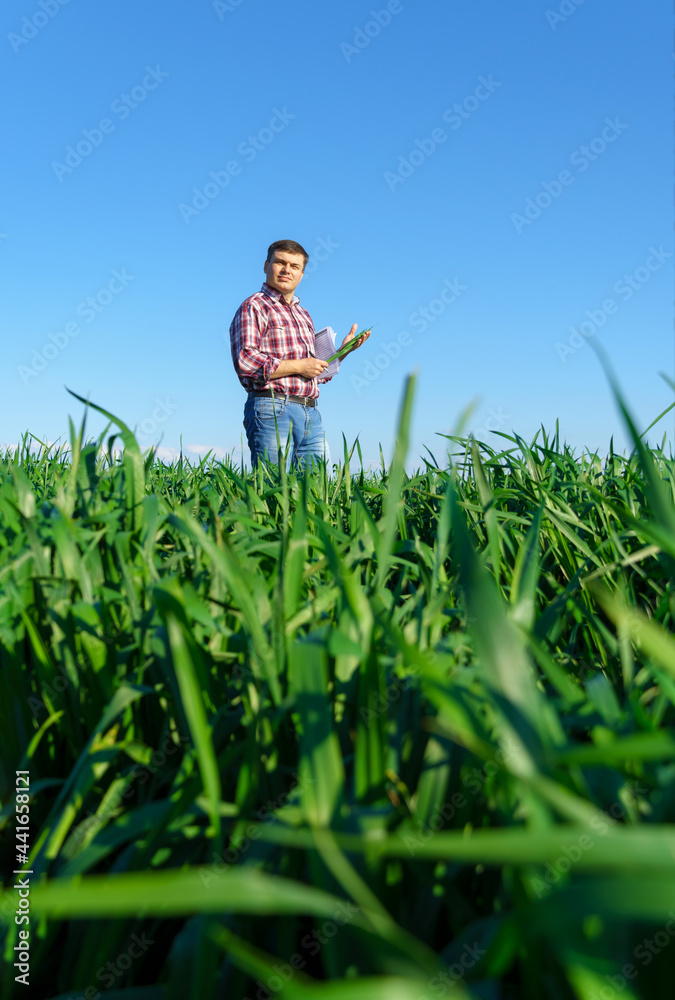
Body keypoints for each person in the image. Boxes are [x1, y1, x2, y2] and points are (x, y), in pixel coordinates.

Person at [229, 239, 370, 469]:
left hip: (310, 411)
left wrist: (342, 352)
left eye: (294, 266)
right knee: (274, 488)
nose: (286, 270)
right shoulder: (254, 306)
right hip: (272, 407)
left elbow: (313, 372)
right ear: (266, 266)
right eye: (280, 263)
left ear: (302, 274)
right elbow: (246, 362)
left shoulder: (304, 314)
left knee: (316, 491)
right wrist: (299, 365)